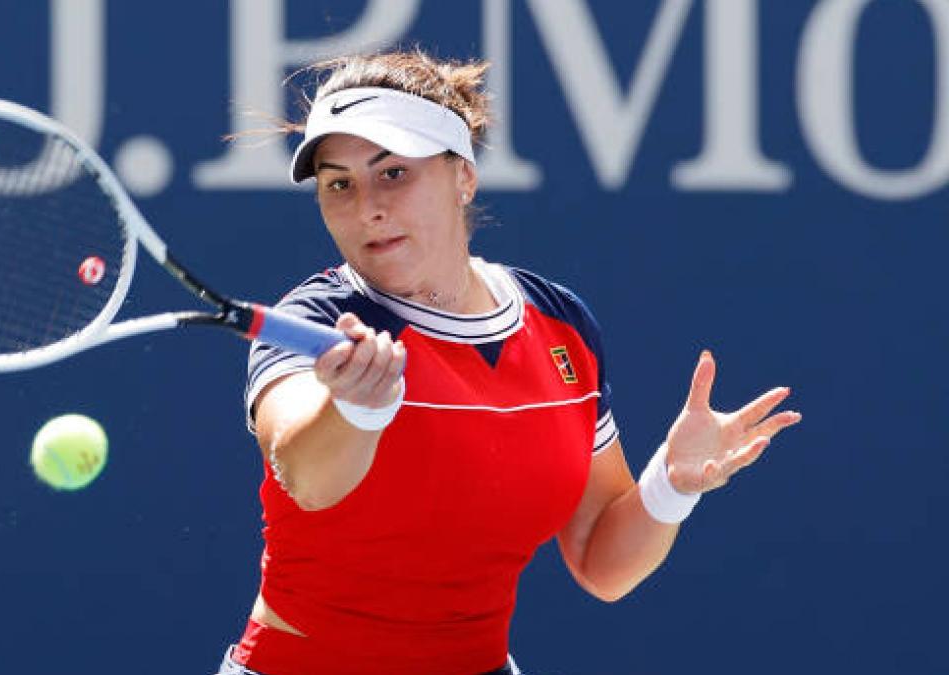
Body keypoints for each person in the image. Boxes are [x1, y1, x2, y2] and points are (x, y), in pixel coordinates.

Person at [217, 50, 801, 675]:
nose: (368, 208)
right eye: (340, 184)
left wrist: (672, 483)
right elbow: (304, 475)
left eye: (393, 174)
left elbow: (601, 562)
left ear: (463, 176)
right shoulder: (315, 322)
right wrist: (356, 408)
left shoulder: (561, 326)